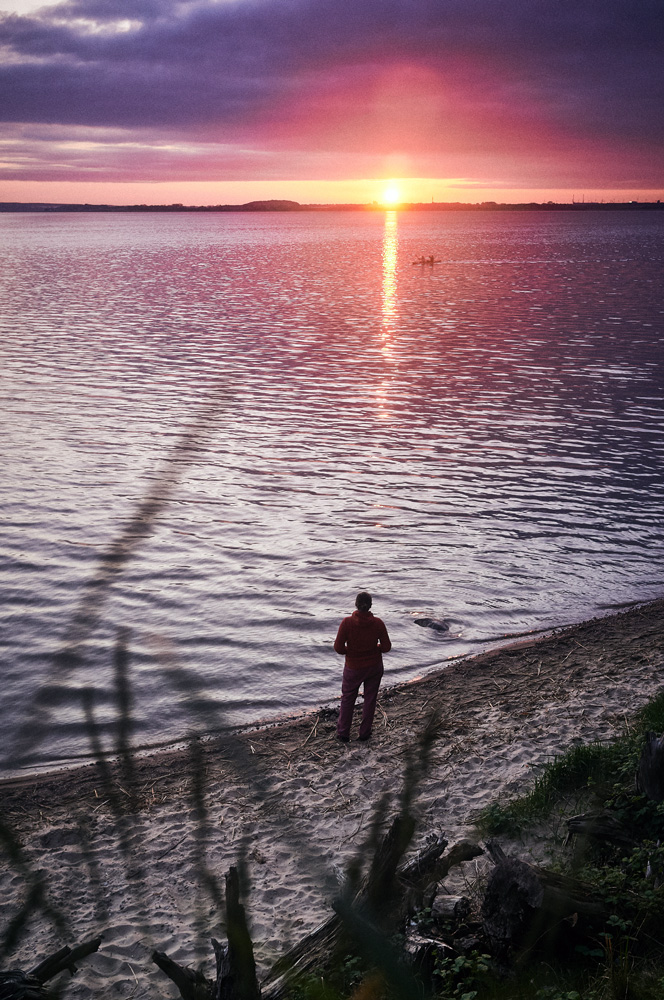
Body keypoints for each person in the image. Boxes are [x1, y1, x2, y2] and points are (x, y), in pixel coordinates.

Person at [334, 592, 391, 743]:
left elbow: (338, 648)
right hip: (374, 666)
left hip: (353, 667)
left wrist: (351, 651)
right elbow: (386, 647)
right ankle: (364, 733)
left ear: (356, 604)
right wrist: (375, 647)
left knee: (348, 699)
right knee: (370, 699)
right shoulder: (378, 623)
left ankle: (343, 733)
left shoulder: (347, 623)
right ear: (371, 605)